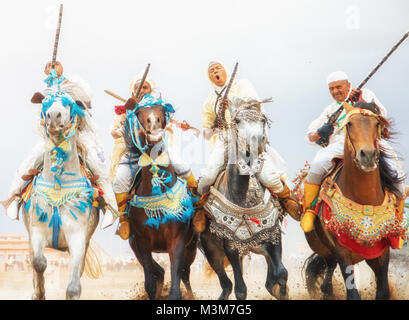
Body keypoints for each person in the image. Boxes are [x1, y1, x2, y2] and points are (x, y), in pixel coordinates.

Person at [2, 61, 118, 228]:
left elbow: (86, 97)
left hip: (76, 139)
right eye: (47, 67)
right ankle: (15, 197)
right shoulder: (47, 93)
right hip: (51, 139)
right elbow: (41, 121)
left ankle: (109, 206)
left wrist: (61, 79)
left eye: (53, 66)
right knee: (31, 159)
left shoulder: (72, 86)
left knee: (95, 163)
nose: (51, 69)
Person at [301, 70, 407, 232]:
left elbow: (382, 115)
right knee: (317, 165)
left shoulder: (366, 94)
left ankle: (398, 215)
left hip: (370, 141)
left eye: (339, 87)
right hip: (340, 144)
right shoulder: (330, 110)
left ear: (348, 85)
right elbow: (309, 136)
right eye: (331, 88)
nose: (335, 91)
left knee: (396, 171)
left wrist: (361, 102)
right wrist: (319, 133)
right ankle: (309, 210)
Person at [198, 60, 300, 221]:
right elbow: (206, 134)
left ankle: (286, 199)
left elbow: (254, 107)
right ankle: (199, 208)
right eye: (211, 70)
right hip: (224, 139)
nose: (215, 71)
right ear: (209, 77)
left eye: (218, 68)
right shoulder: (209, 101)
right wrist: (216, 123)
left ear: (225, 70)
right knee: (209, 175)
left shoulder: (243, 85)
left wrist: (231, 105)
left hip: (247, 137)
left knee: (269, 177)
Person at [112, 76, 197, 240]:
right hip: (135, 155)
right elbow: (114, 132)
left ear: (150, 89)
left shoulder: (159, 106)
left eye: (145, 87)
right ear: (133, 91)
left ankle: (198, 206)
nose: (142, 90)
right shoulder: (127, 110)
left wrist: (178, 125)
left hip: (160, 151)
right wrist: (128, 121)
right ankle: (123, 218)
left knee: (181, 166)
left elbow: (168, 123)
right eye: (138, 87)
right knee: (119, 179)